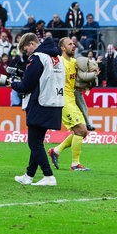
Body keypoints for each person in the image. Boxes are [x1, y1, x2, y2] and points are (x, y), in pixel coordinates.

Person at [10, 33, 64, 186]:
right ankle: (29, 175)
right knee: (37, 141)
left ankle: (48, 176)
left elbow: (27, 85)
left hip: (40, 102)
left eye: (26, 49)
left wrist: (11, 83)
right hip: (55, 102)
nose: (26, 53)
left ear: (33, 43)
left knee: (34, 142)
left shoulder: (37, 57)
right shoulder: (56, 57)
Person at [47, 38, 93, 172]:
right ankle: (75, 164)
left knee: (82, 132)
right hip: (62, 100)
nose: (73, 46)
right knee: (81, 130)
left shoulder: (74, 62)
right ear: (62, 48)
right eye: (70, 44)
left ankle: (56, 150)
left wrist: (93, 73)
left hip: (72, 99)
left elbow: (82, 76)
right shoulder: (58, 62)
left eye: (74, 44)